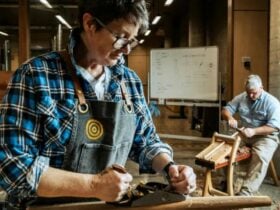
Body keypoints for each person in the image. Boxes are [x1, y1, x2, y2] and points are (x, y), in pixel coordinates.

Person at [0, 0, 196, 208]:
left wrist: (171, 169)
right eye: (121, 38)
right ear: (90, 24)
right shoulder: (36, 75)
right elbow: (12, 165)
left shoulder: (127, 81)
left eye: (132, 41)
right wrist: (94, 185)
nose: (127, 50)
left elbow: (145, 141)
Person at [221, 74, 280, 196]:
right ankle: (228, 181)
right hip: (245, 133)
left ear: (261, 88)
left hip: (266, 136)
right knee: (226, 149)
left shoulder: (272, 102)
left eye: (254, 93)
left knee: (260, 155)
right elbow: (226, 109)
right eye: (248, 93)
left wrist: (254, 131)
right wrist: (230, 118)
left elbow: (274, 127)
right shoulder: (242, 97)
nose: (251, 96)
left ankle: (247, 191)